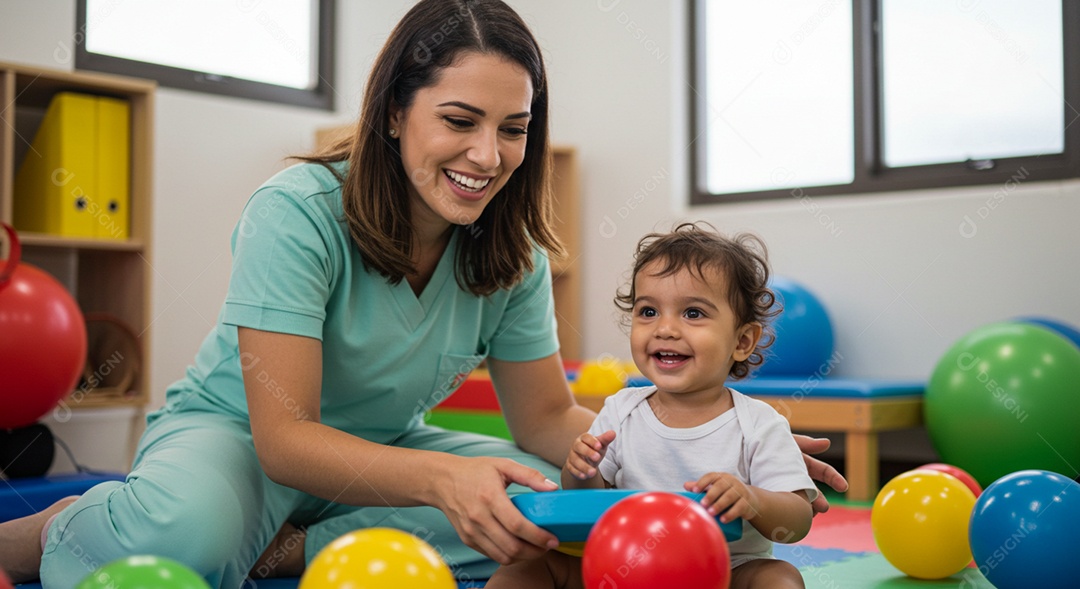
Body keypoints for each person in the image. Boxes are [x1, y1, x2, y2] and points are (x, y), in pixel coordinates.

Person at [0, 2, 845, 587]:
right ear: (396, 112)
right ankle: (59, 528)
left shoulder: (510, 253)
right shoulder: (296, 212)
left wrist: (705, 441)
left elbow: (548, 420)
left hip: (385, 452)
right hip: (244, 441)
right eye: (459, 120)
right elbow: (286, 438)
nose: (488, 155)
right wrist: (442, 479)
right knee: (185, 541)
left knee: (548, 505)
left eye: (513, 129)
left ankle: (292, 549)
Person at [489, 223, 818, 589]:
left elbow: (796, 522)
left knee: (779, 577)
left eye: (693, 313)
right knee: (528, 565)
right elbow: (588, 501)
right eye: (648, 312)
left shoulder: (759, 424)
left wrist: (752, 499)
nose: (665, 329)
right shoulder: (620, 410)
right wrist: (581, 471)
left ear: (742, 341)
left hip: (726, 569)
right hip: (622, 564)